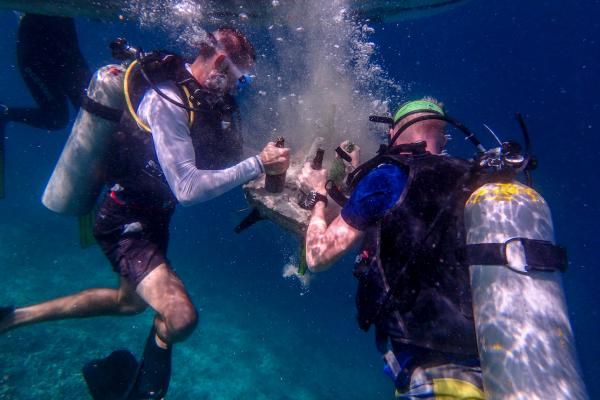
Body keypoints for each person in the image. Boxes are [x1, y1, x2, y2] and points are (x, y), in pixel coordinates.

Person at [0, 27, 290, 399]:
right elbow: (187, 189)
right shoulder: (166, 99)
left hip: (152, 216)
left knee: (128, 303)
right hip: (125, 220)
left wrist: (266, 159)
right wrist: (258, 164)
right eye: (239, 78)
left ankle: (12, 318)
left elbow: (223, 155)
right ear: (220, 61)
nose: (237, 88)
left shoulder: (200, 100)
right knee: (180, 318)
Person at [299, 98, 486, 399]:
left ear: (393, 133)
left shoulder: (387, 176)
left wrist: (319, 198)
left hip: (432, 376)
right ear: (443, 136)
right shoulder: (476, 181)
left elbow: (318, 256)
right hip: (493, 366)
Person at [0, 13, 90, 130]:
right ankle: (4, 114)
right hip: (36, 60)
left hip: (66, 54)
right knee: (57, 118)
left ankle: (5, 114)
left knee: (93, 105)